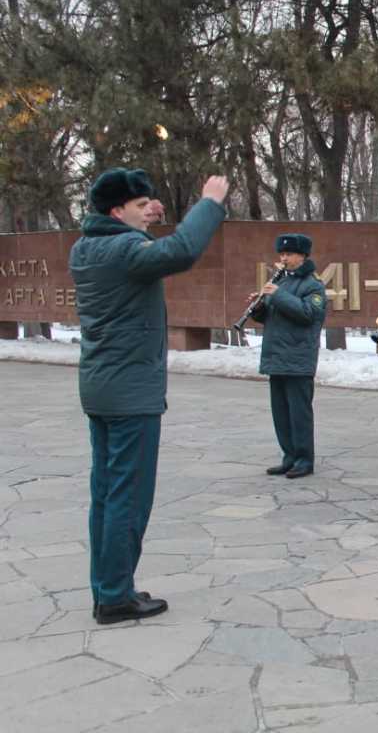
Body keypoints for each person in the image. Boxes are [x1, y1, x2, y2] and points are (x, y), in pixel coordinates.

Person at [71, 168, 228, 624]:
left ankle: (107, 588)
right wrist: (210, 203)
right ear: (117, 211)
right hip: (129, 394)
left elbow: (150, 248)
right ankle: (117, 597)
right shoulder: (123, 250)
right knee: (128, 496)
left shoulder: (88, 246)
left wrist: (147, 217)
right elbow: (180, 252)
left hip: (102, 389)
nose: (150, 211)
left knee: (105, 493)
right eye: (141, 206)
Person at [255, 234, 327, 480]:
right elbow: (271, 317)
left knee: (299, 413)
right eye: (281, 254)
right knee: (281, 412)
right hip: (277, 356)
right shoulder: (281, 282)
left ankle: (304, 459)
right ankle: (289, 457)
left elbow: (308, 314)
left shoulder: (313, 285)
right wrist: (258, 307)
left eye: (288, 254)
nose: (283, 259)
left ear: (302, 256)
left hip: (298, 358)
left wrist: (277, 295)